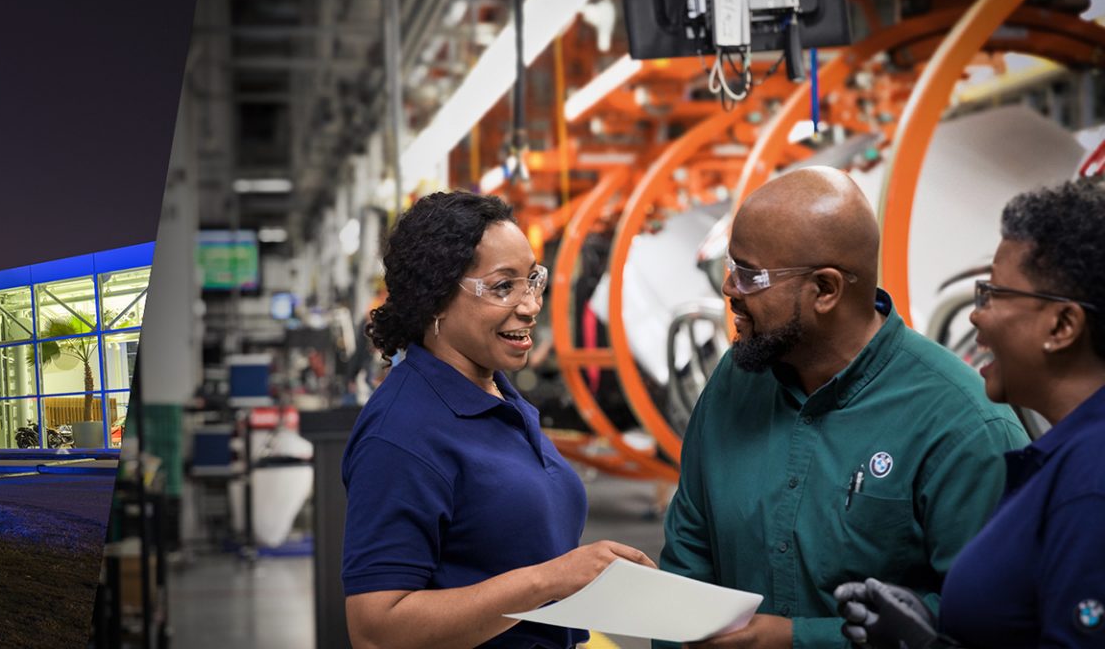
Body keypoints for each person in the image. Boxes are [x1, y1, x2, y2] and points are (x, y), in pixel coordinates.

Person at [659, 167, 1028, 648]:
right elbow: (689, 552)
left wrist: (798, 640)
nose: (730, 288)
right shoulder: (736, 381)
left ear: (826, 290)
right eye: (732, 267)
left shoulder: (964, 427)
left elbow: (994, 621)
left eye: (749, 275)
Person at [343, 191, 655, 649]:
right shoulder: (400, 434)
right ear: (436, 298)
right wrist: (549, 580)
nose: (530, 306)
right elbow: (376, 630)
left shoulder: (496, 393)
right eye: (503, 287)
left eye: (532, 280)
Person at [835, 181, 1105, 648]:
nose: (976, 316)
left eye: (993, 295)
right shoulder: (1067, 459)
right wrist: (933, 628)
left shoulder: (1091, 483)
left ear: (1062, 325)